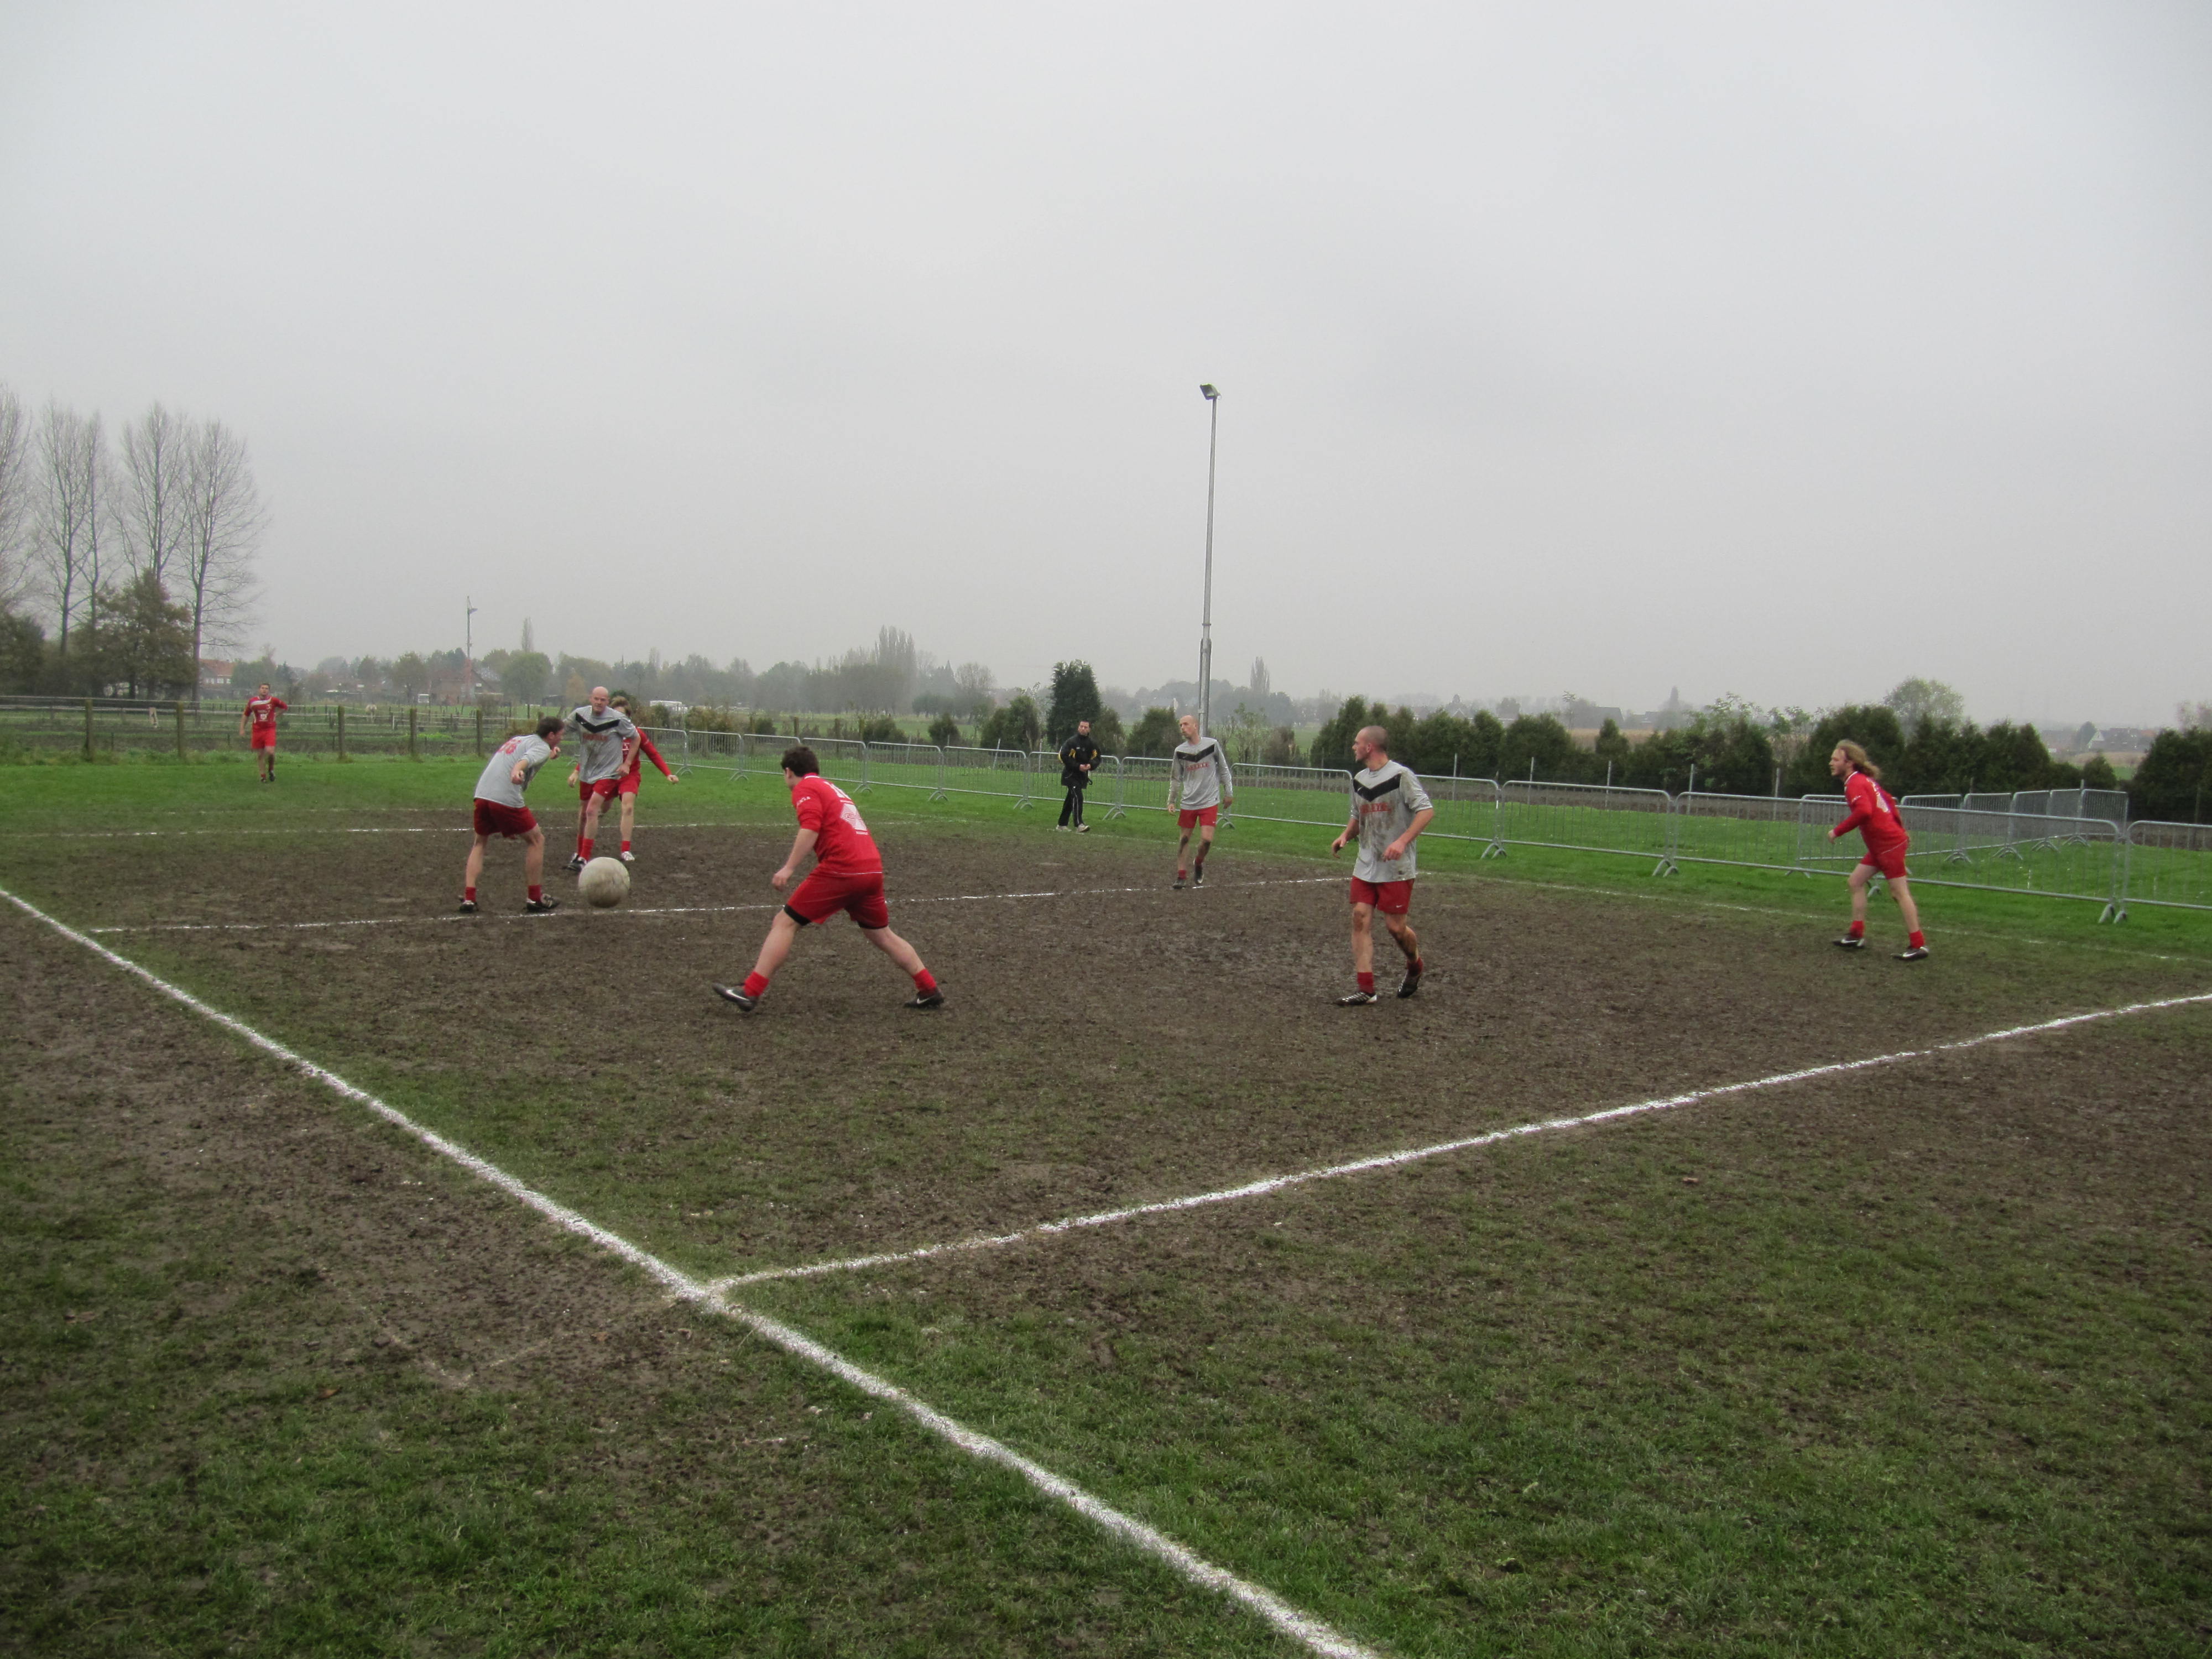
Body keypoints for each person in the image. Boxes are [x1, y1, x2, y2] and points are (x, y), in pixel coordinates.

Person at [712, 746, 944, 1013]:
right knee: (882, 934)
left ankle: (750, 991)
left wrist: (788, 868)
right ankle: (928, 989)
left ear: (788, 772)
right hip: (871, 868)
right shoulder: (832, 788)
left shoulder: (805, 788)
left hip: (843, 867)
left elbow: (811, 827)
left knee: (785, 922)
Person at [1329, 724, 1434, 1005]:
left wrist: (1402, 842)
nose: (1353, 747)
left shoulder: (1401, 776)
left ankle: (1415, 965)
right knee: (1360, 917)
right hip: (1366, 863)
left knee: (1396, 928)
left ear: (1370, 747)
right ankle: (1366, 990)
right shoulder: (1359, 780)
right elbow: (1357, 816)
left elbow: (1426, 811)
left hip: (1396, 867)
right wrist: (1345, 836)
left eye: (1357, 743)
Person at [1828, 740, 1928, 960]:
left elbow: (1864, 811)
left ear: (1849, 763)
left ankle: (1918, 945)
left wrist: (1837, 831)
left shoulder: (1855, 782)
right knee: (1855, 882)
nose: (1831, 763)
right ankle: (1856, 934)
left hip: (1888, 844)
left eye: (1836, 759)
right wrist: (1901, 830)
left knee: (1899, 893)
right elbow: (1889, 801)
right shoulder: (1863, 780)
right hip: (1882, 845)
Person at [461, 715, 565, 915]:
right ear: (551, 735)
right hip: (505, 796)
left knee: (479, 843)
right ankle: (535, 898)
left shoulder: (519, 739)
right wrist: (517, 771)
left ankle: (469, 899)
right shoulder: (541, 748)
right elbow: (524, 761)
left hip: (482, 794)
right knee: (537, 840)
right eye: (561, 734)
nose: (563, 738)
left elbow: (529, 755)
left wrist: (550, 753)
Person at [561, 686, 637, 872]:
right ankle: (579, 852)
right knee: (583, 813)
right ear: (591, 699)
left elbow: (636, 738)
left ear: (607, 701)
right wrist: (553, 746)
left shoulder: (617, 719)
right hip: (587, 772)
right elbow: (561, 729)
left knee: (592, 810)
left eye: (603, 700)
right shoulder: (580, 715)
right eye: (596, 699)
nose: (599, 703)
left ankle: (584, 858)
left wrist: (627, 764)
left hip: (609, 773)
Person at [608, 694, 679, 861]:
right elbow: (592, 753)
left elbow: (653, 754)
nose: (619, 719)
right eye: (615, 715)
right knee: (599, 810)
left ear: (628, 717)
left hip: (629, 776)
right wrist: (577, 771)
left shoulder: (636, 734)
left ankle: (625, 850)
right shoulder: (607, 733)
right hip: (609, 775)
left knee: (628, 807)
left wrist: (668, 773)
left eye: (622, 715)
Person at [1167, 713, 1234, 888]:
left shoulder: (1212, 745)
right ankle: (1181, 876)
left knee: (1206, 840)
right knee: (1184, 839)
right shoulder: (1180, 751)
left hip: (1209, 801)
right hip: (1189, 802)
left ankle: (1198, 862)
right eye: (1181, 725)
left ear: (1195, 726)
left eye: (1186, 724)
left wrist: (1229, 792)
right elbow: (1175, 778)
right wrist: (1171, 800)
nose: (1183, 728)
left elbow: (1224, 769)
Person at [1056, 719, 1100, 832]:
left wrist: (1090, 765)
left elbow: (1097, 758)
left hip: (1082, 777)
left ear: (1089, 729)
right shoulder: (1071, 742)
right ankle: (1079, 824)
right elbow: (1062, 756)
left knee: (1071, 800)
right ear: (1078, 727)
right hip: (1070, 775)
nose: (1083, 729)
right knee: (1078, 797)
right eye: (1081, 726)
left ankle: (1062, 825)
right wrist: (1077, 766)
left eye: (1086, 727)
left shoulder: (1092, 744)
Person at [239, 682, 288, 782]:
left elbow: (285, 707)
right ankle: (263, 776)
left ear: (269, 691)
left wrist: (276, 714)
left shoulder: (273, 700)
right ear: (259, 689)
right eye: (263, 688)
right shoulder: (253, 702)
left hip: (270, 729)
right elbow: (246, 715)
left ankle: (271, 769)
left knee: (270, 752)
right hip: (257, 730)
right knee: (260, 754)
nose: (264, 690)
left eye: (266, 688)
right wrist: (242, 728)